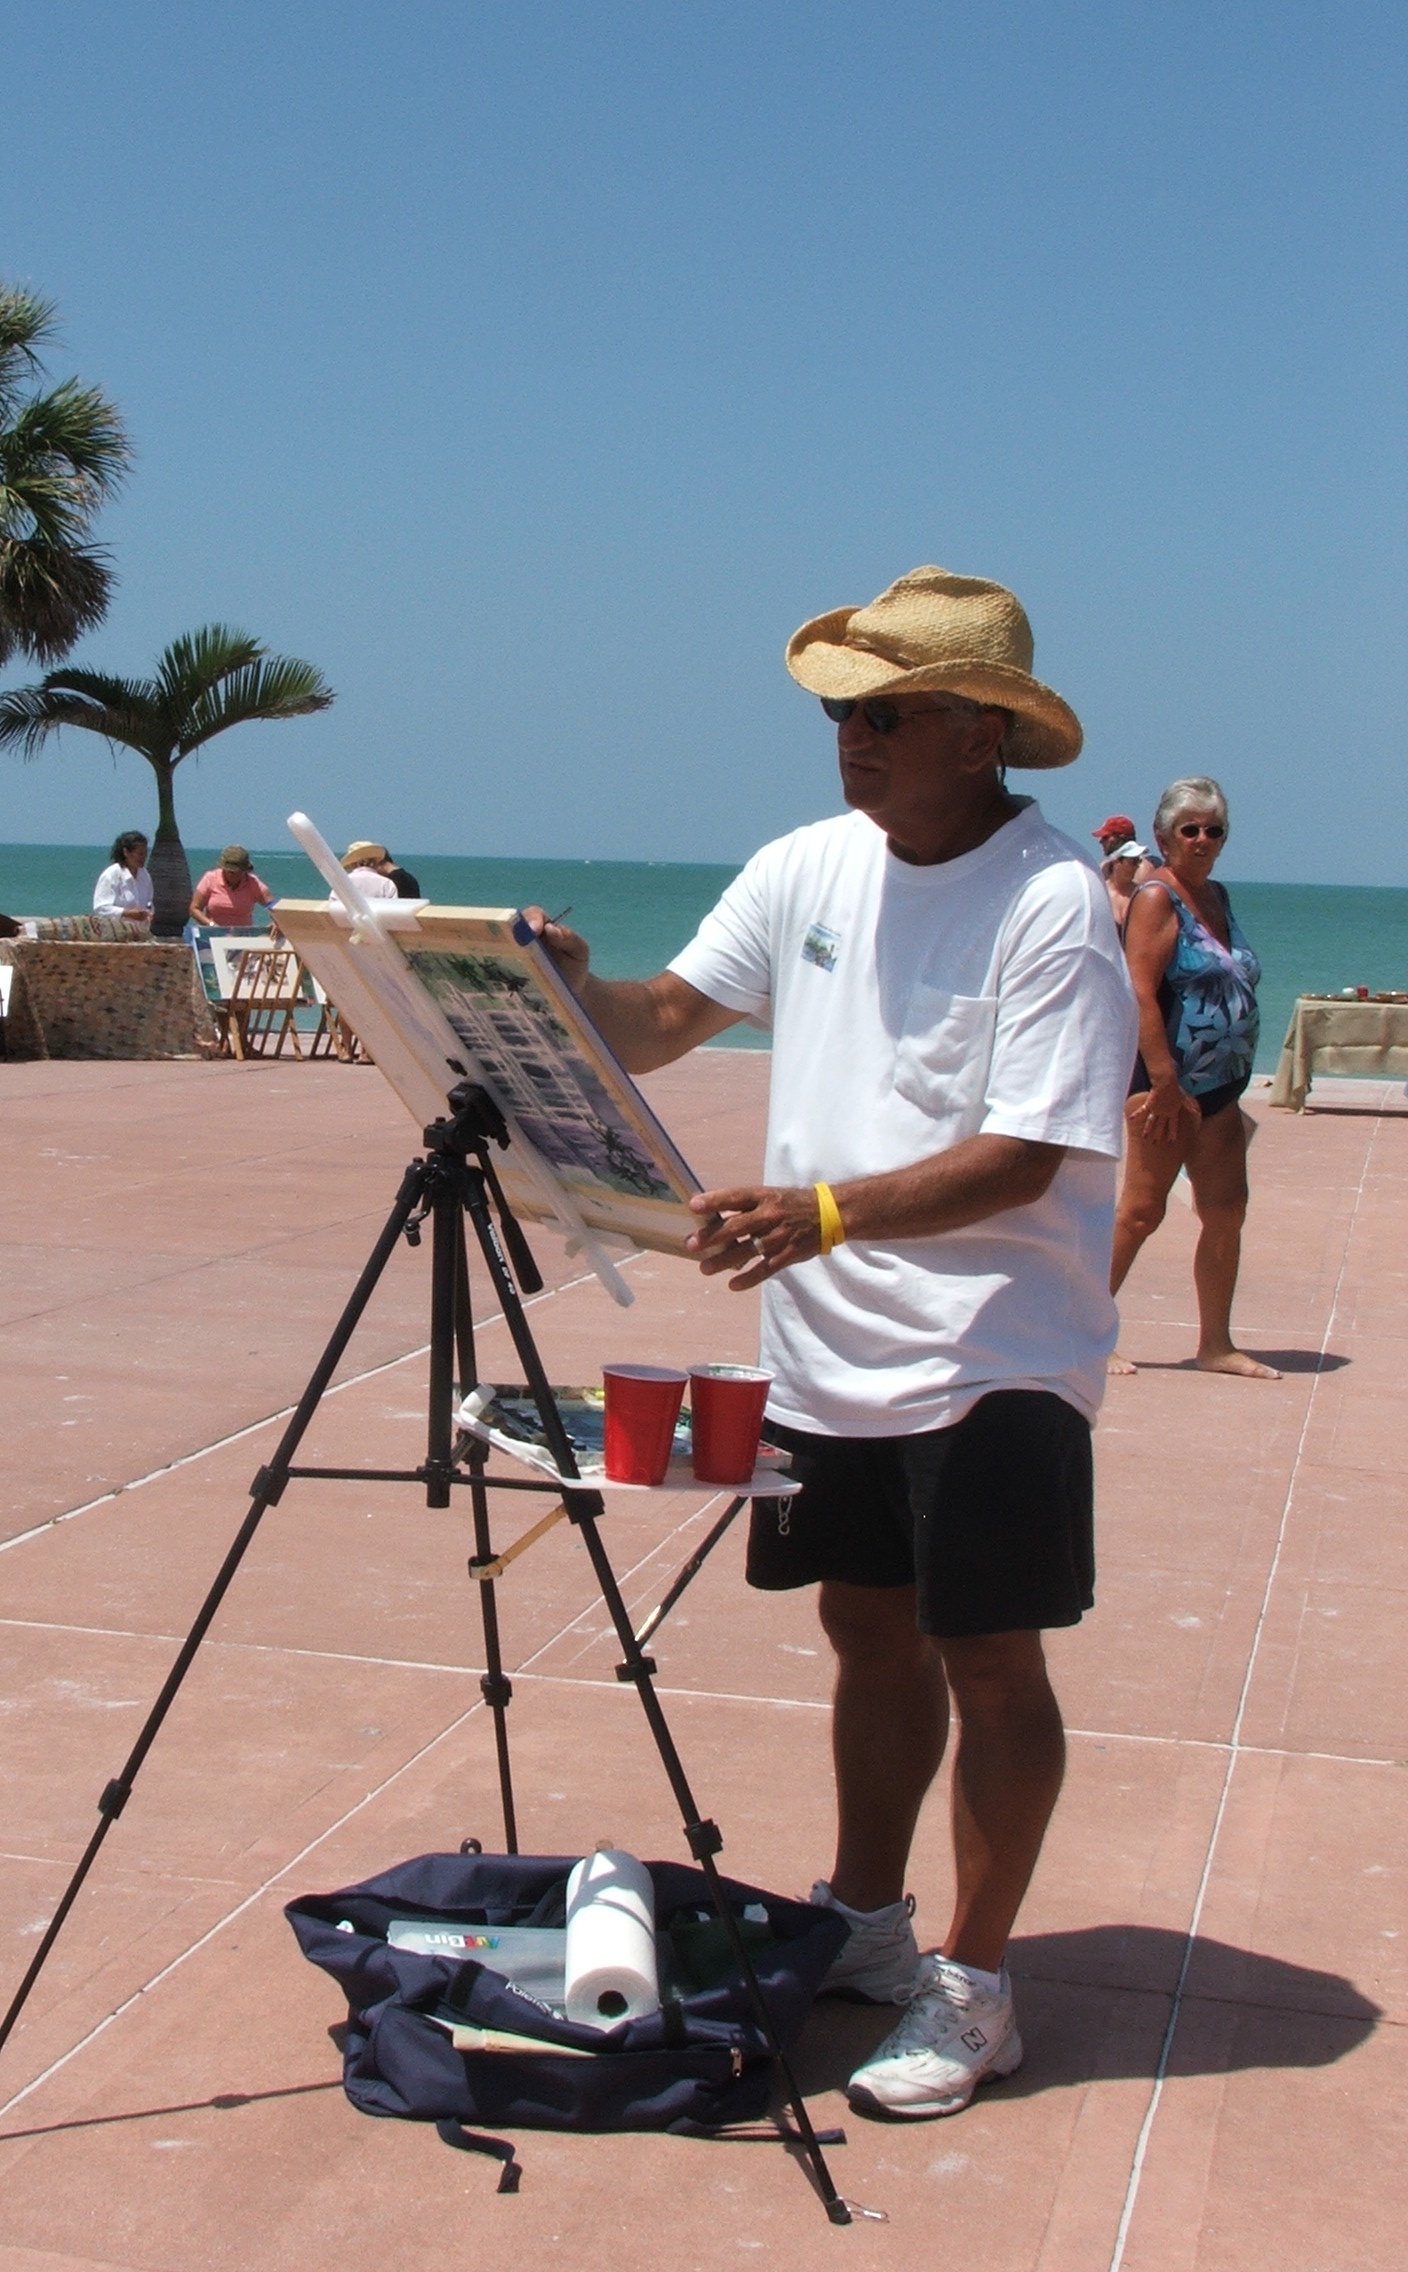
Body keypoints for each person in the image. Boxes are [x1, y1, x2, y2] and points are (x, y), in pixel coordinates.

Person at [530, 566, 1136, 2119]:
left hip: (995, 1351)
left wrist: (818, 1215)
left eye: (884, 713)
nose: (849, 739)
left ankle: (978, 1988)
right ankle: (870, 1925)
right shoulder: (808, 866)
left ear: (981, 732)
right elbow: (657, 1017)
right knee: (865, 1633)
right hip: (830, 1353)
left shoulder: (1056, 901)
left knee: (990, 1661)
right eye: (837, 712)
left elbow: (1028, 1153)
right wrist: (554, 982)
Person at [1108, 778, 1277, 1380]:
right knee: (1140, 1213)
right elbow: (1140, 994)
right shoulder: (1157, 897)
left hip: (1222, 1090)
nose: (1203, 840)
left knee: (1227, 1210)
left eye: (1215, 830)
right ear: (1163, 837)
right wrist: (1163, 1083)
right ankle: (1086, 1332)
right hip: (1166, 1090)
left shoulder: (1218, 896)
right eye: (1191, 830)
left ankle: (1215, 1343)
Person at [188, 846, 274, 928]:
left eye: (239, 872)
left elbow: (275, 907)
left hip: (242, 936)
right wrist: (211, 924)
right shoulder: (210, 879)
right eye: (231, 872)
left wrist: (276, 923)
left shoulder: (253, 883)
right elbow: (194, 909)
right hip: (213, 934)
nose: (235, 876)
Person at [93, 831, 153, 926]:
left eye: (146, 853)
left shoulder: (145, 875)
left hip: (141, 933)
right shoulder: (111, 875)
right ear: (126, 852)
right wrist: (127, 913)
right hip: (116, 933)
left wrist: (149, 914)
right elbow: (101, 908)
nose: (144, 857)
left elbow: (149, 903)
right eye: (140, 854)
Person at [1100, 837, 1148, 931]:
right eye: (1132, 861)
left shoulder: (1140, 895)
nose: (1136, 867)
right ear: (1116, 862)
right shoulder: (1101, 893)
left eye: (1138, 861)